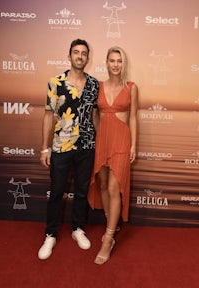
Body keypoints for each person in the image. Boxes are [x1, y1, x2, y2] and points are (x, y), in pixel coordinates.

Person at [38, 39, 99, 260]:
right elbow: (47, 115)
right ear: (69, 56)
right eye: (76, 52)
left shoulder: (94, 84)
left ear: (88, 58)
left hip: (87, 146)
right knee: (56, 191)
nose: (80, 56)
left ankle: (77, 229)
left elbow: (95, 116)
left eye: (84, 53)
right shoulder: (56, 82)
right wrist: (45, 148)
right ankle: (51, 234)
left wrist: (98, 143)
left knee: (82, 190)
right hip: (61, 146)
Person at [88, 46, 138, 264]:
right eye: (112, 60)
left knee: (112, 187)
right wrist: (99, 135)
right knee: (102, 185)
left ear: (123, 64)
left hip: (121, 140)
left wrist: (134, 145)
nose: (115, 64)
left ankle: (108, 239)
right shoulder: (97, 86)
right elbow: (94, 115)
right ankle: (111, 222)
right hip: (103, 140)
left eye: (119, 61)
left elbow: (134, 118)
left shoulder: (131, 87)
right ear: (106, 63)